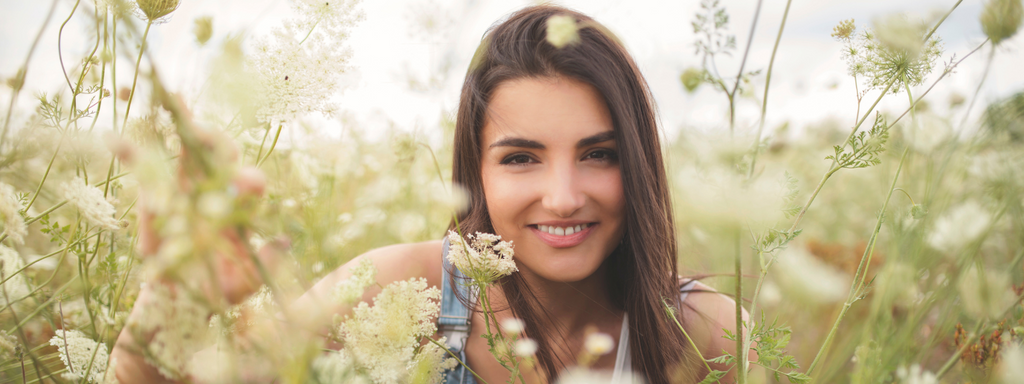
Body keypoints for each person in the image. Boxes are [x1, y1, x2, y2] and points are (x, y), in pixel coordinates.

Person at [112, 4, 751, 384]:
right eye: (521, 158)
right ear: (476, 174)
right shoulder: (394, 291)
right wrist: (172, 301)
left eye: (598, 154)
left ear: (638, 165)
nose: (562, 197)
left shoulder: (706, 336)